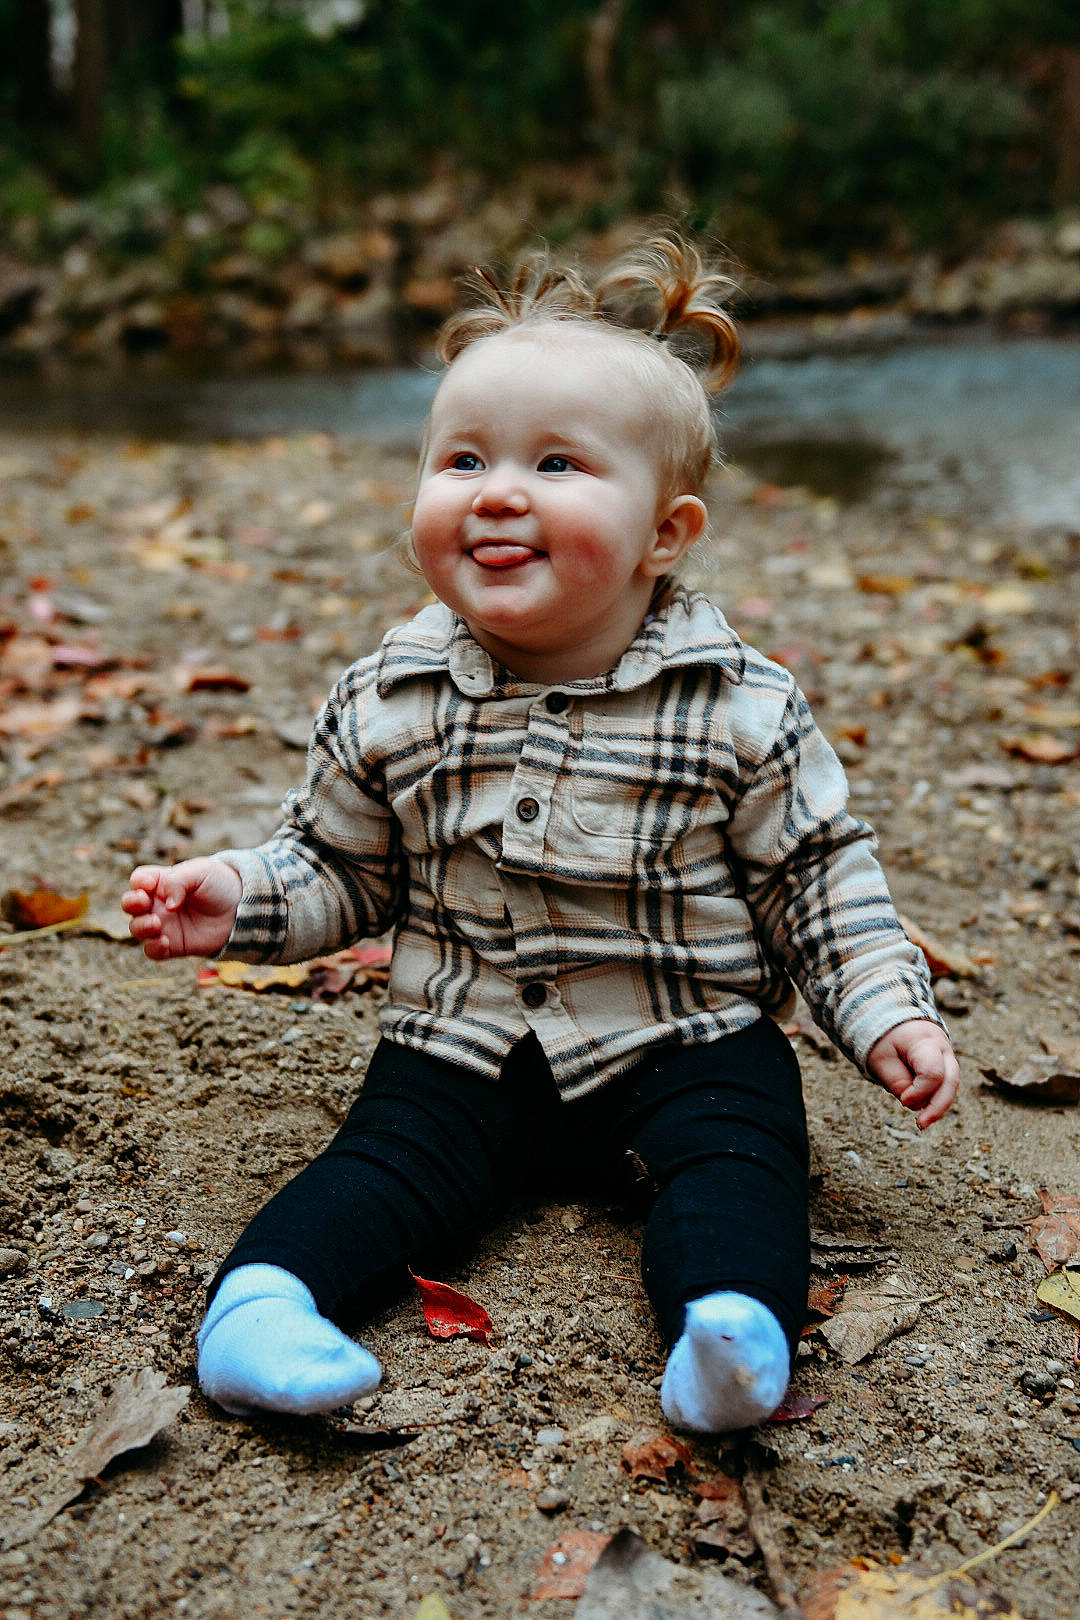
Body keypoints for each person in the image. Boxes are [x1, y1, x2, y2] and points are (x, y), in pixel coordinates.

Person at [122, 235, 959, 1433]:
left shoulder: (738, 703)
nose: (497, 491)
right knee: (381, 1166)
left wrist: (885, 1009)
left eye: (557, 464)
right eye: (462, 458)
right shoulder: (389, 695)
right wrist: (239, 898)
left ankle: (730, 1339)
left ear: (665, 534)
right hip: (462, 1038)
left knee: (742, 1158)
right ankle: (262, 1312)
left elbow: (819, 882)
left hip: (683, 1035)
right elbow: (339, 869)